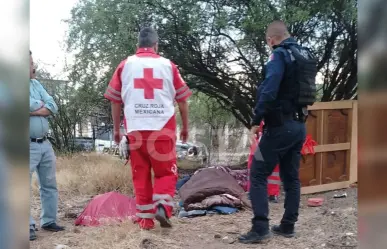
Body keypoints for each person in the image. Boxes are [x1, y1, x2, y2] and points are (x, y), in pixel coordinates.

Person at [104, 27, 191, 230]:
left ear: (137, 46)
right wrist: (185, 127)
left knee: (140, 174)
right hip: (162, 130)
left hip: (135, 130)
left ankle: (146, 221)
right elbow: (183, 100)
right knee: (165, 173)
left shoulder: (125, 65)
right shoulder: (168, 66)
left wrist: (117, 130)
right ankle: (162, 206)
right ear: (156, 45)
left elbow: (115, 101)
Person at [239, 21, 317, 244]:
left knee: (257, 173)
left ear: (270, 39)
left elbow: (270, 89)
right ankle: (287, 225)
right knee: (291, 177)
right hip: (299, 127)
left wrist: (256, 120)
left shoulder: (278, 56)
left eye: (268, 41)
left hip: (279, 128)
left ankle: (260, 228)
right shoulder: (302, 55)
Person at [29, 51, 65, 241]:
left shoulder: (36, 84)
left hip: (44, 143)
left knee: (49, 184)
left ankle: (49, 220)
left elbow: (53, 106)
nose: (34, 67)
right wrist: (41, 107)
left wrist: (34, 109)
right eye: (30, 63)